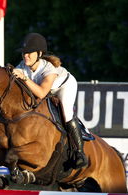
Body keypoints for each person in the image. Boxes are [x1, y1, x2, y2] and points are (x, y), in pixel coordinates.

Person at [12, 32, 88, 169]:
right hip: (46, 89)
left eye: (29, 53)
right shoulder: (22, 66)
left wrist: (24, 78)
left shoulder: (49, 69)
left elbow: (41, 93)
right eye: (24, 52)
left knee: (66, 113)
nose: (25, 56)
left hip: (64, 86)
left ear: (39, 54)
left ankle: (80, 153)